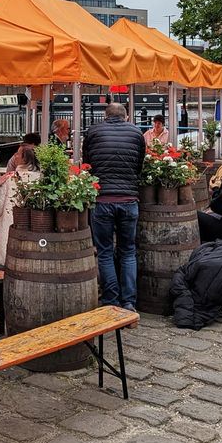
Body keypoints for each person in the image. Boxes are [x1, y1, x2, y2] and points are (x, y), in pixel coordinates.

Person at [82, 102, 146, 313]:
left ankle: (111, 301)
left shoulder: (93, 131)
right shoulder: (137, 133)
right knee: (128, 251)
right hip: (129, 200)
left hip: (102, 200)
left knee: (105, 252)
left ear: (105, 116)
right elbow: (139, 165)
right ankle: (129, 302)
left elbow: (87, 163)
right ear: (126, 116)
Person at [0, 144, 41, 267]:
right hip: (35, 235)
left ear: (24, 159)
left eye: (17, 153)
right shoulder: (42, 180)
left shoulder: (10, 179)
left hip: (8, 234)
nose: (15, 156)